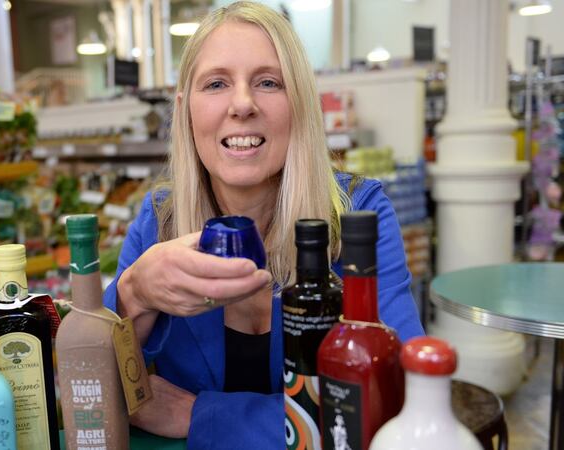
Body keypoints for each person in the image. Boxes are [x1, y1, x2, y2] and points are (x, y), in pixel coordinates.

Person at [101, 2, 424, 448]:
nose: (242, 105)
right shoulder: (159, 221)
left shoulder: (358, 218)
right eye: (216, 83)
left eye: (268, 82)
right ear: (185, 110)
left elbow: (396, 400)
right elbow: (94, 395)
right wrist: (133, 294)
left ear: (301, 103)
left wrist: (201, 414)